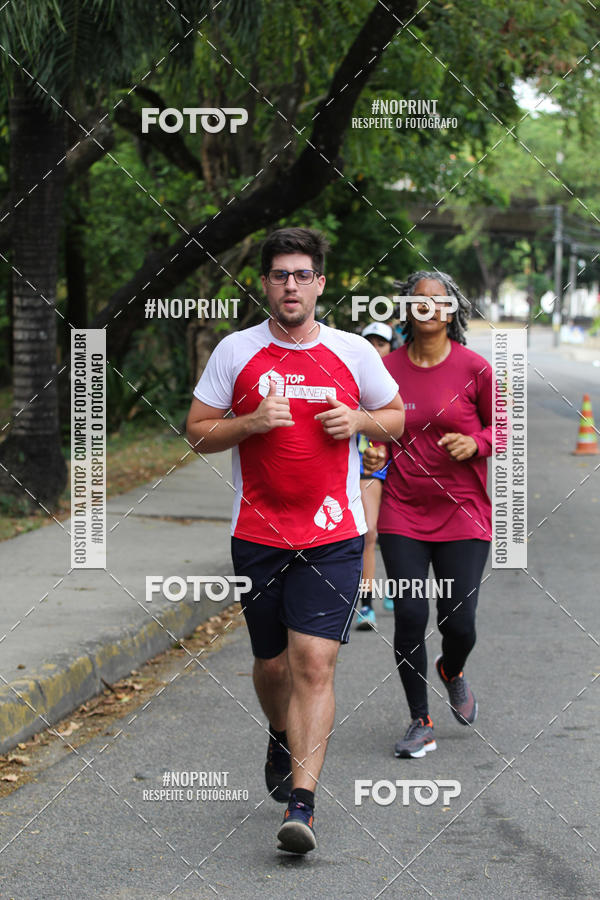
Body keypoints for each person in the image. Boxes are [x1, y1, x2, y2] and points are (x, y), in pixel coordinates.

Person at [186, 227, 404, 853]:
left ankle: (302, 809)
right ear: (265, 283)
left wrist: (359, 419)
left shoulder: (353, 354)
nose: (291, 285)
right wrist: (250, 422)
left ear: (320, 284)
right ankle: (280, 734)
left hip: (333, 532)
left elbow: (395, 416)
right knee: (272, 663)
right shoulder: (236, 351)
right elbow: (198, 431)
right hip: (256, 532)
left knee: (314, 662)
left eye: (302, 274)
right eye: (280, 274)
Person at [363, 271, 492, 759]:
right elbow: (375, 429)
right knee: (412, 614)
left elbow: (501, 428)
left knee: (460, 622)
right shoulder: (385, 368)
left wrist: (476, 442)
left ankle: (452, 669)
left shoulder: (474, 368)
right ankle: (421, 721)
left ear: (453, 310)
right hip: (404, 510)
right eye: (419, 302)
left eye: (439, 302)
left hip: (463, 512)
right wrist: (373, 454)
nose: (429, 309)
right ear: (406, 311)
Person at [355, 322, 394, 630]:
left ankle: (382, 594)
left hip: (394, 464)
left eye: (382, 343)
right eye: (370, 342)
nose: (375, 348)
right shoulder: (351, 374)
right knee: (368, 533)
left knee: (384, 532)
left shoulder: (398, 380)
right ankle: (364, 603)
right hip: (357, 462)